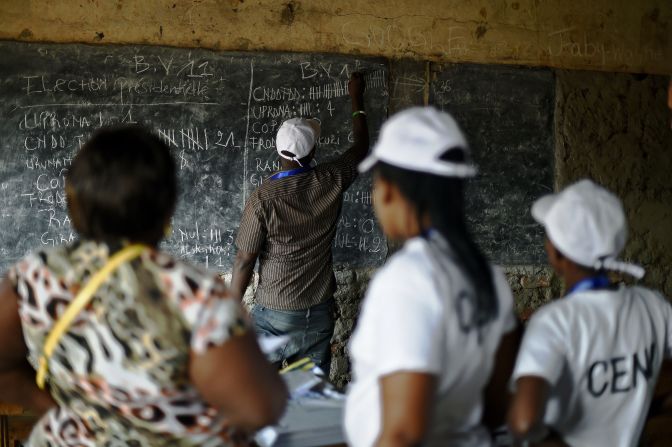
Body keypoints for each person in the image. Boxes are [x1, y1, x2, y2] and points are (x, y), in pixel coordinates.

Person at [0, 126, 287, 446]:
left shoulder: (33, 277)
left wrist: (68, 412)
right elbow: (259, 409)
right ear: (167, 205)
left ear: (73, 199)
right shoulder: (192, 292)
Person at [344, 107, 520, 447]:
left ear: (391, 190)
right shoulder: (487, 275)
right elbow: (497, 406)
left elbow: (403, 434)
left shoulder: (408, 280)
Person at [508, 179, 672, 447]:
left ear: (557, 254)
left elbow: (523, 422)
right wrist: (646, 408)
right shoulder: (653, 306)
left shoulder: (554, 322)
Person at [230, 72, 369, 372]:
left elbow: (244, 259)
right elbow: (360, 150)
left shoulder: (263, 198)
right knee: (310, 398)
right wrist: (357, 100)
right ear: (313, 151)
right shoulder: (331, 179)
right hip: (317, 312)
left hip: (275, 313)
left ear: (278, 150)